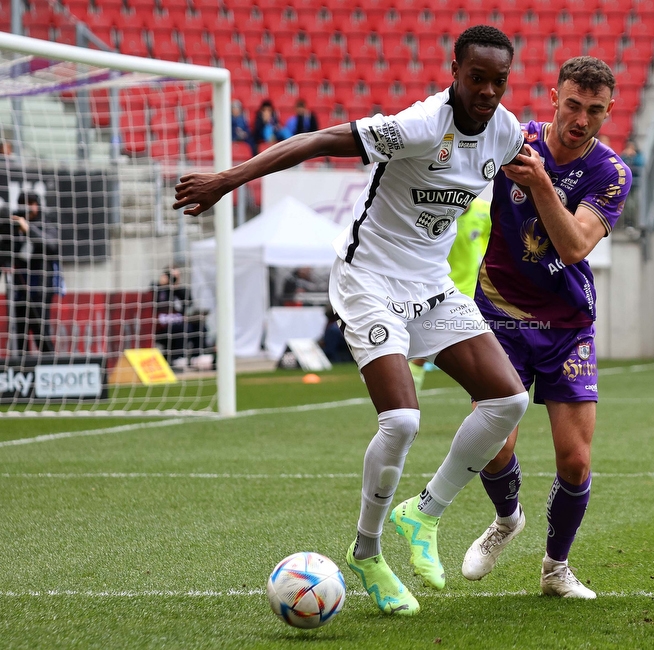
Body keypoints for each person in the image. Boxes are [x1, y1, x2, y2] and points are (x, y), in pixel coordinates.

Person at [173, 25, 530, 616]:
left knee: (508, 402)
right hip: (368, 281)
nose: (489, 91)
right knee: (402, 420)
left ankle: (424, 512)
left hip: (432, 285)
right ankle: (368, 551)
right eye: (478, 78)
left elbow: (534, 167)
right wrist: (228, 180)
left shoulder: (507, 131)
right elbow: (315, 141)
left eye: (499, 81)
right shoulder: (417, 126)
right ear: (455, 71)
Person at [460, 56, 631, 599]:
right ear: (554, 97)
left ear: (610, 109)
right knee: (491, 444)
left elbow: (577, 245)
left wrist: (539, 185)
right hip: (500, 315)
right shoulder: (515, 137)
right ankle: (507, 518)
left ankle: (556, 569)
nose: (581, 119)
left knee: (575, 460)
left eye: (595, 110)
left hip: (567, 323)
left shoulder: (612, 172)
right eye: (573, 105)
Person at [408, 196, 491, 393]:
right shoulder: (436, 212)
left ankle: (489, 394)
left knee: (484, 345)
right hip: (436, 289)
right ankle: (408, 401)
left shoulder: (485, 211)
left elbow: (494, 240)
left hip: (471, 291)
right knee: (422, 351)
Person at [6, 192, 61, 356]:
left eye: (31, 203)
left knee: (41, 332)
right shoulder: (12, 226)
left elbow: (51, 246)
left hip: (40, 289)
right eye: (23, 203)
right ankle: (23, 374)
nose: (28, 207)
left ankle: (50, 367)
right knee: (20, 335)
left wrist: (28, 229)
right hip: (19, 287)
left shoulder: (46, 224)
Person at [152, 265, 207, 369]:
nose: (173, 279)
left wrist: (176, 288)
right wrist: (161, 284)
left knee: (199, 326)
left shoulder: (180, 291)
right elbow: (151, 296)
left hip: (179, 323)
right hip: (162, 327)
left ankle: (197, 357)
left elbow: (189, 303)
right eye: (171, 276)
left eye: (176, 276)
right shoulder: (157, 289)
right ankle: (178, 358)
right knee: (184, 327)